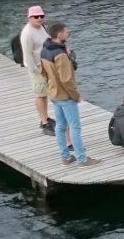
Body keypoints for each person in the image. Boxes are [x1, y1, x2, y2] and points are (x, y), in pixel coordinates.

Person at [40, 22, 97, 167]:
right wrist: (75, 96)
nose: (68, 33)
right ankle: (82, 158)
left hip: (53, 93)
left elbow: (43, 72)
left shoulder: (44, 50)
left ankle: (65, 156)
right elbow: (66, 79)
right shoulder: (60, 55)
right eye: (66, 32)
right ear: (59, 34)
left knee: (60, 126)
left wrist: (50, 87)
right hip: (65, 96)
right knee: (74, 127)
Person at [20, 5, 55, 135]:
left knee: (45, 93)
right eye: (36, 17)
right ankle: (44, 122)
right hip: (38, 67)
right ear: (29, 18)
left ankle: (46, 117)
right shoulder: (27, 33)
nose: (39, 18)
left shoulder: (42, 28)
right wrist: (35, 69)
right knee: (40, 94)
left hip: (47, 64)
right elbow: (27, 54)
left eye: (41, 16)